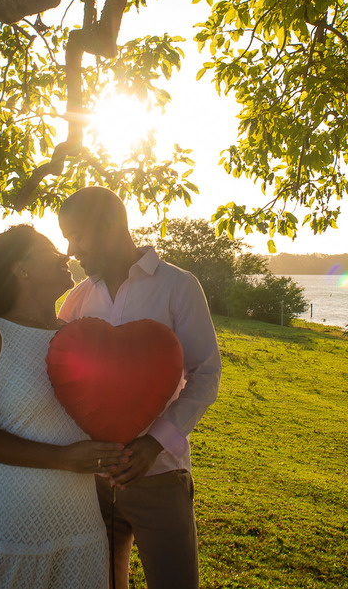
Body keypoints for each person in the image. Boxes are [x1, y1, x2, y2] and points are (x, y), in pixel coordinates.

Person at [0, 225, 130, 589]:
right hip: (7, 521)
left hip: (78, 522)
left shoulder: (77, 336)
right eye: (51, 250)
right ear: (21, 268)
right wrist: (64, 458)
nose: (66, 255)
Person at [58, 187, 222, 589]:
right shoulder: (76, 301)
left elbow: (206, 374)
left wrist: (154, 444)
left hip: (161, 477)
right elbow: (55, 380)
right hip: (89, 486)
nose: (70, 249)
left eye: (77, 235)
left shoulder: (179, 286)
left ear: (110, 227)